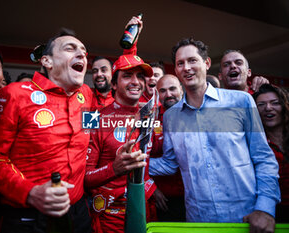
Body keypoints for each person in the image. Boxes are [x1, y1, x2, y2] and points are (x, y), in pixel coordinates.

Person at [149, 38, 280, 233]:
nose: (186, 67)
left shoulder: (241, 101)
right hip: (199, 221)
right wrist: (134, 162)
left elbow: (264, 158)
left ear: (207, 63)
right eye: (180, 63)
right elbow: (170, 163)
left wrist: (265, 208)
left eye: (192, 60)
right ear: (176, 70)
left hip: (246, 219)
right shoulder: (171, 117)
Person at [0, 29, 93, 233]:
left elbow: (92, 133)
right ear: (46, 61)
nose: (81, 55)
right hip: (28, 216)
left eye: (84, 52)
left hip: (79, 212)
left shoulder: (87, 95)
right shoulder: (14, 94)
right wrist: (31, 192)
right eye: (70, 49)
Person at [84, 15, 157, 233]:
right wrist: (114, 169)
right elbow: (84, 179)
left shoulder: (150, 111)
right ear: (113, 85)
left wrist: (131, 44)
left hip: (146, 207)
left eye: (140, 77)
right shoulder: (93, 118)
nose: (136, 82)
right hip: (111, 214)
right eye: (127, 77)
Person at [150, 74, 185, 222]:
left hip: (194, 198)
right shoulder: (150, 119)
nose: (168, 94)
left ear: (181, 90)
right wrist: (151, 189)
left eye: (172, 89)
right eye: (163, 91)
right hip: (163, 199)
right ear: (157, 94)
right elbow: (140, 156)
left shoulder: (195, 114)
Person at [253, 84, 289, 222]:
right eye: (261, 104)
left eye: (275, 103)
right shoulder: (252, 143)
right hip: (268, 214)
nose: (268, 108)